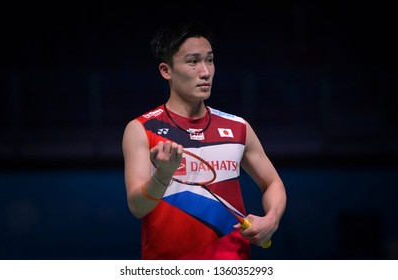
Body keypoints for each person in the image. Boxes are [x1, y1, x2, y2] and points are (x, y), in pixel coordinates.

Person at [122, 21, 286, 260]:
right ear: (166, 71)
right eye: (193, 61)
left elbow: (273, 183)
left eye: (209, 60)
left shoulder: (237, 127)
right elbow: (137, 207)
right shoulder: (142, 129)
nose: (206, 71)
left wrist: (271, 219)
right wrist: (162, 176)